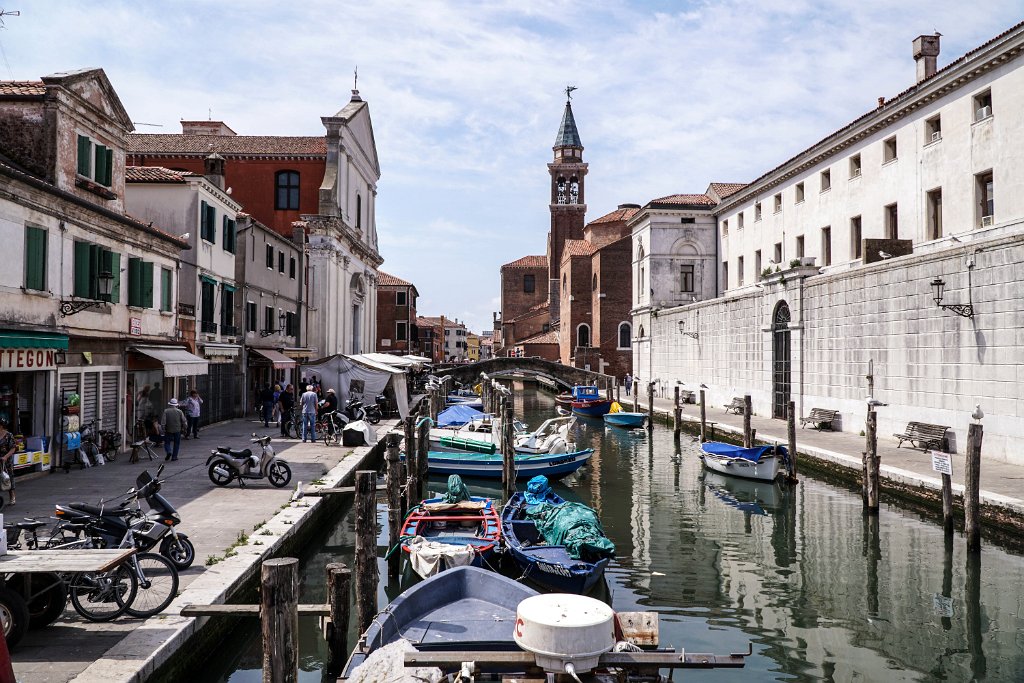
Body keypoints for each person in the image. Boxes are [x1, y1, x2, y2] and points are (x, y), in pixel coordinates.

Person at [0, 419, 18, 506]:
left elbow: (13, 448)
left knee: (8, 478)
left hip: (6, 460)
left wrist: (6, 457)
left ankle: (12, 497)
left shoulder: (8, 435)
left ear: (1, 426)